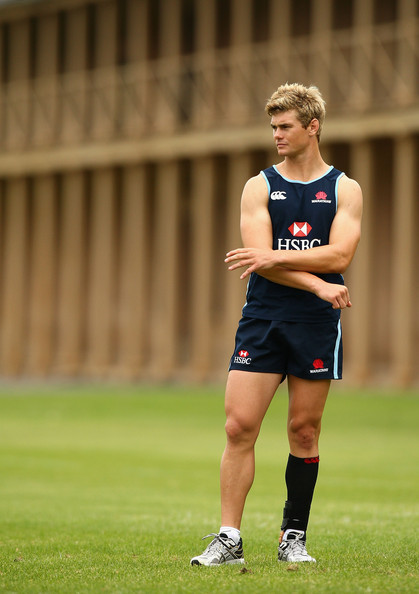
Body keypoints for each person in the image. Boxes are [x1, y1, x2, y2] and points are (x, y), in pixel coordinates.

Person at [190, 83, 363, 566]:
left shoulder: (345, 188)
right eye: (273, 127)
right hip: (263, 319)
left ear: (313, 127)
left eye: (285, 126)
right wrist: (317, 283)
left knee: (304, 432)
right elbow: (258, 262)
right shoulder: (259, 185)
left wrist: (279, 258)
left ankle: (294, 537)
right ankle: (229, 538)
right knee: (238, 426)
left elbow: (340, 254)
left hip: (315, 325)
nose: (277, 135)